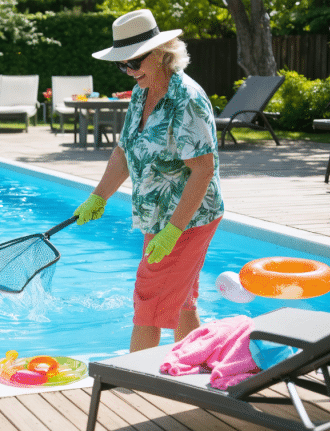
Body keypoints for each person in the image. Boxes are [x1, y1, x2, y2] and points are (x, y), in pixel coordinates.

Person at [73, 9, 224, 352]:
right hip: (158, 218)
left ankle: (131, 389)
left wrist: (173, 231)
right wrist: (98, 197)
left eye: (134, 62)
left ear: (160, 53)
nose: (129, 71)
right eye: (122, 64)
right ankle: (193, 367)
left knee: (149, 301)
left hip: (187, 218)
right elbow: (124, 152)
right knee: (180, 299)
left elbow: (203, 170)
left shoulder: (186, 99)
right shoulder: (143, 91)